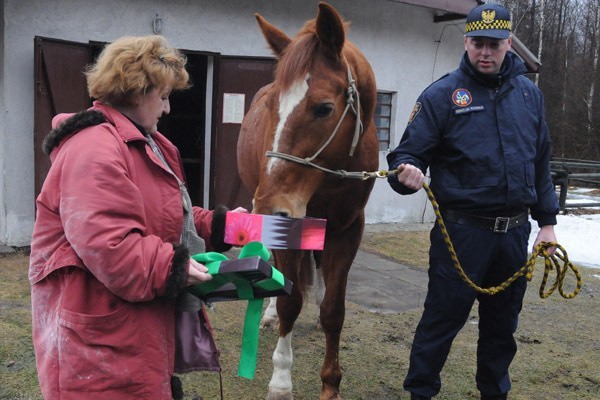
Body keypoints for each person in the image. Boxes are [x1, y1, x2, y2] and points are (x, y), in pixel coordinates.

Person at [29, 35, 246, 400]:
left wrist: (217, 226)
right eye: (163, 96)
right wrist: (171, 266)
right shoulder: (94, 146)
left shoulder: (145, 141)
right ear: (135, 91)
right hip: (101, 337)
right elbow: (109, 245)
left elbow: (160, 214)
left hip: (131, 328)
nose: (167, 109)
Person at [386, 4, 559, 400]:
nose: (486, 52)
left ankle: (493, 393)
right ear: (466, 42)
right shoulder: (442, 95)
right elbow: (405, 156)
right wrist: (407, 171)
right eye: (478, 43)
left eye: (494, 45)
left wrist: (547, 222)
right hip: (461, 234)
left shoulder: (530, 96)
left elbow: (541, 162)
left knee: (502, 327)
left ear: (508, 44)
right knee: (441, 321)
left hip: (514, 236)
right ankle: (421, 393)